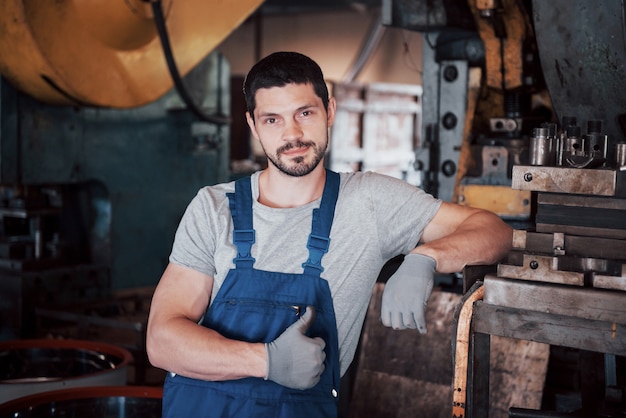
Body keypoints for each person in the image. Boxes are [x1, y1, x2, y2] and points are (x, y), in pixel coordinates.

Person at [146, 51, 512, 417]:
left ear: (329, 112)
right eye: (272, 119)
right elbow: (162, 341)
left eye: (304, 113)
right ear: (253, 126)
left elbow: (494, 231)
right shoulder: (213, 208)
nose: (292, 134)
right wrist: (266, 361)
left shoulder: (369, 201)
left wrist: (426, 258)